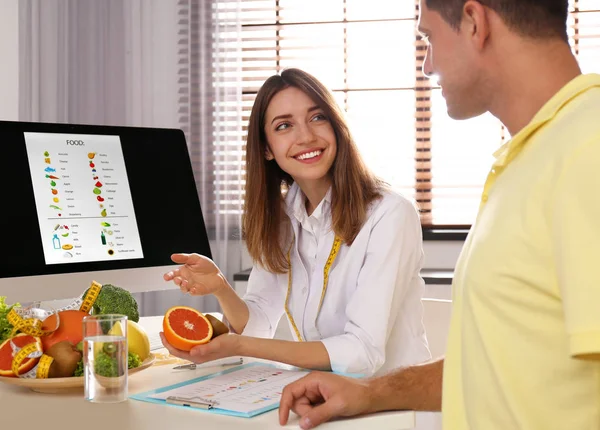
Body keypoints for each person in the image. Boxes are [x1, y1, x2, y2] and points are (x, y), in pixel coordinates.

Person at [279, 1, 600, 429]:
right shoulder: (528, 159)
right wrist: (368, 394)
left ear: (473, 21)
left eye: (428, 38)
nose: (427, 64)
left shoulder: (586, 149)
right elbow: (492, 365)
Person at [160, 68, 431, 378]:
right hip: (323, 396)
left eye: (317, 118)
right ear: (266, 148)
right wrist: (221, 288)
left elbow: (361, 352)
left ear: (336, 126)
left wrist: (240, 346)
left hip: (393, 407)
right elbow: (260, 323)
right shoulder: (282, 218)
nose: (306, 137)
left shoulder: (390, 215)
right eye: (284, 125)